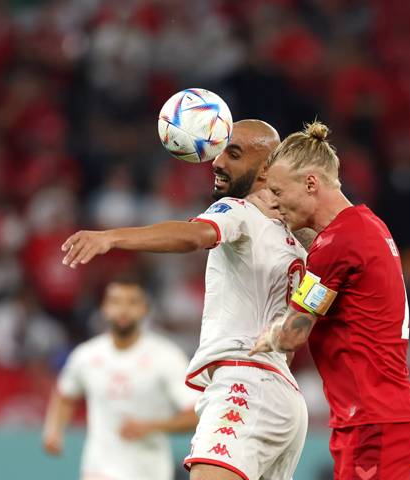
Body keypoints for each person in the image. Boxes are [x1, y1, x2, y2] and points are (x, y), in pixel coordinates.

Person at [61, 120, 308, 480]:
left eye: (234, 153)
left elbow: (194, 235)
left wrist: (111, 237)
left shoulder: (241, 211)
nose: (218, 161)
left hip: (243, 383)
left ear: (269, 168)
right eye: (220, 149)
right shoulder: (298, 237)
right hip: (284, 397)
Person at [251, 121, 410, 479]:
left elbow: (293, 335)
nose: (276, 205)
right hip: (372, 416)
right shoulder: (364, 225)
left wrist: (264, 338)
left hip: (372, 419)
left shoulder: (336, 244)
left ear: (311, 183)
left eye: (280, 193)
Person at [42, 278, 199, 480]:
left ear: (144, 309)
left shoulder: (166, 357)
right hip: (98, 467)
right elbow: (65, 393)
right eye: (116, 301)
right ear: (105, 308)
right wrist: (53, 431)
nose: (123, 309)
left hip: (148, 471)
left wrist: (151, 426)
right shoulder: (86, 356)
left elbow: (195, 415)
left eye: (132, 302)